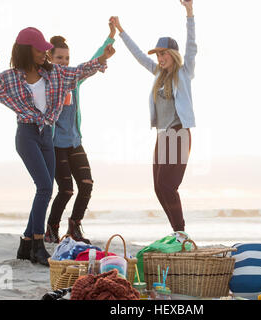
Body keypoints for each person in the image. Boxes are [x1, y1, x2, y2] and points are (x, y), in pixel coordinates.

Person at [0, 27, 115, 266]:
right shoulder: (9, 78)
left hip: (46, 135)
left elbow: (80, 71)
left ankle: (26, 244)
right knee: (44, 188)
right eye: (40, 49)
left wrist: (102, 59)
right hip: (27, 135)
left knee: (45, 189)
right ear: (27, 50)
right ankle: (38, 244)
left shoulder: (55, 74)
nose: (45, 52)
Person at [110, 0, 197, 232]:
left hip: (179, 134)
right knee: (159, 187)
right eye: (158, 54)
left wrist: (189, 11)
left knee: (168, 186)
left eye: (163, 53)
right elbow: (138, 55)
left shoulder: (184, 72)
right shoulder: (158, 73)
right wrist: (121, 30)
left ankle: (181, 232)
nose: (160, 57)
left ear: (173, 54)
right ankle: (177, 232)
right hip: (163, 135)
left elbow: (191, 44)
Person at [44, 23, 116, 244]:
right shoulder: (47, 83)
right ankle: (51, 229)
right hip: (56, 144)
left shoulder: (74, 80)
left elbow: (91, 63)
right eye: (59, 58)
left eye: (67, 58)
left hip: (74, 141)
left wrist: (110, 38)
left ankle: (74, 226)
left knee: (86, 184)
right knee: (66, 190)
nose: (64, 62)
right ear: (50, 58)